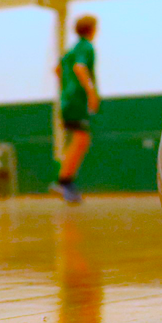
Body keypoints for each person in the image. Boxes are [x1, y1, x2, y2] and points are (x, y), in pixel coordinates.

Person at [51, 15, 100, 204]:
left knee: (81, 139)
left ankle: (65, 181)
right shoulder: (86, 47)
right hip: (76, 101)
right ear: (92, 29)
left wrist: (66, 87)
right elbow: (80, 68)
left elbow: (57, 70)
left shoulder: (70, 50)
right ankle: (63, 181)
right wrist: (91, 92)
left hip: (67, 99)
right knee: (81, 139)